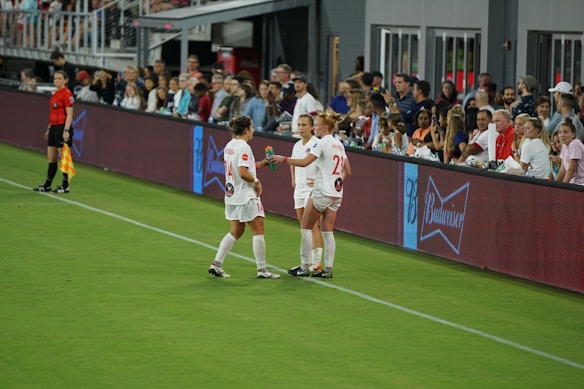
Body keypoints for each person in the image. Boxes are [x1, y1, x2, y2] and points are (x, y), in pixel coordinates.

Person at [271, 111, 351, 278]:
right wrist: (336, 183)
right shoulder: (339, 145)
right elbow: (348, 171)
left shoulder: (320, 143)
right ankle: (327, 269)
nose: (315, 127)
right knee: (328, 231)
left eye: (316, 124)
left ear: (325, 127)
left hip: (321, 192)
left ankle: (305, 266)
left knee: (306, 227)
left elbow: (304, 162)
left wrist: (282, 159)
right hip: (336, 194)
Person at [208, 115, 280, 279]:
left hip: (231, 194)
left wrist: (261, 164)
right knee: (258, 230)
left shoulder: (229, 146)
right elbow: (242, 172)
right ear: (246, 129)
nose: (253, 130)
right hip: (246, 195)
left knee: (236, 231)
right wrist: (256, 181)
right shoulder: (244, 147)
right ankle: (262, 270)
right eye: (252, 127)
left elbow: (239, 167)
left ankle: (216, 264)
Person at [286, 114, 324, 276]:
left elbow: (324, 165)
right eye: (299, 125)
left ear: (312, 127)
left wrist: (317, 180)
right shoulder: (296, 145)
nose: (300, 128)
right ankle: (306, 262)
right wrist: (294, 179)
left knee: (312, 225)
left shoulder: (317, 144)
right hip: (299, 189)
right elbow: (293, 163)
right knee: (303, 226)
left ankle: (316, 263)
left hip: (311, 189)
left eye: (304, 125)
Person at [33, 70, 74, 194]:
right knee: (51, 158)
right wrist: (49, 128)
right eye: (55, 78)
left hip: (62, 127)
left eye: (59, 78)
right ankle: (47, 185)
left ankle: (65, 185)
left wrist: (66, 130)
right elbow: (53, 113)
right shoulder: (55, 94)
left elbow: (70, 114)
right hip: (54, 127)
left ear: (65, 80)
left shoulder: (67, 94)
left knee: (64, 157)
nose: (56, 81)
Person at [556, 118, 584, 184]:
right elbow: (563, 169)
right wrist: (555, 185)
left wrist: (563, 187)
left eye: (566, 132)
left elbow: (571, 170)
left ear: (573, 135)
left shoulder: (575, 144)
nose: (562, 135)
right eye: (560, 132)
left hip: (581, 183)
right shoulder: (564, 145)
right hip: (573, 183)